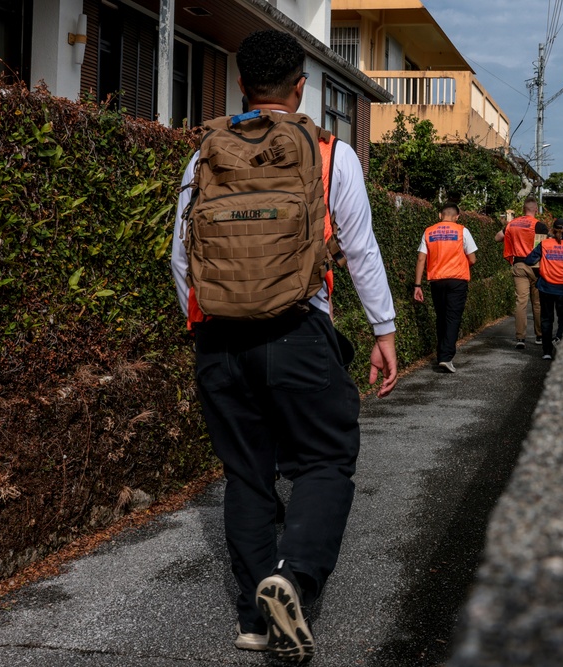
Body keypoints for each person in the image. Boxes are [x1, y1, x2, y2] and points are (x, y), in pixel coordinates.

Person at [169, 30, 397, 662]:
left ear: (242, 86)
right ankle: (292, 579)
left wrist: (210, 323)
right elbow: (360, 249)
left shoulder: (204, 155)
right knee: (326, 459)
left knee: (247, 473)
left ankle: (252, 617)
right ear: (301, 87)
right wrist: (384, 331)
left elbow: (180, 258)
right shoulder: (328, 154)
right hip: (299, 331)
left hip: (220, 338)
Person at [413, 203, 478, 373]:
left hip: (436, 281)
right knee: (453, 317)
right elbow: (472, 258)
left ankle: (442, 352)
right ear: (457, 217)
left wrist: (417, 285)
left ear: (440, 215)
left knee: (441, 317)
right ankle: (446, 357)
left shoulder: (429, 232)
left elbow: (421, 259)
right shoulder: (462, 231)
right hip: (457, 280)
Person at [521, 218, 563, 360]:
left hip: (546, 287)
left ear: (552, 229)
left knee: (546, 319)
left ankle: (547, 352)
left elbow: (529, 260)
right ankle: (560, 337)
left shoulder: (544, 244)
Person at [495, 196, 548, 349]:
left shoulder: (512, 224)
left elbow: (497, 237)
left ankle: (520, 338)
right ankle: (539, 336)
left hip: (519, 265)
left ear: (523, 210)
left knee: (521, 302)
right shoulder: (539, 226)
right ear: (536, 210)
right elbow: (543, 247)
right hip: (536, 268)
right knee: (537, 303)